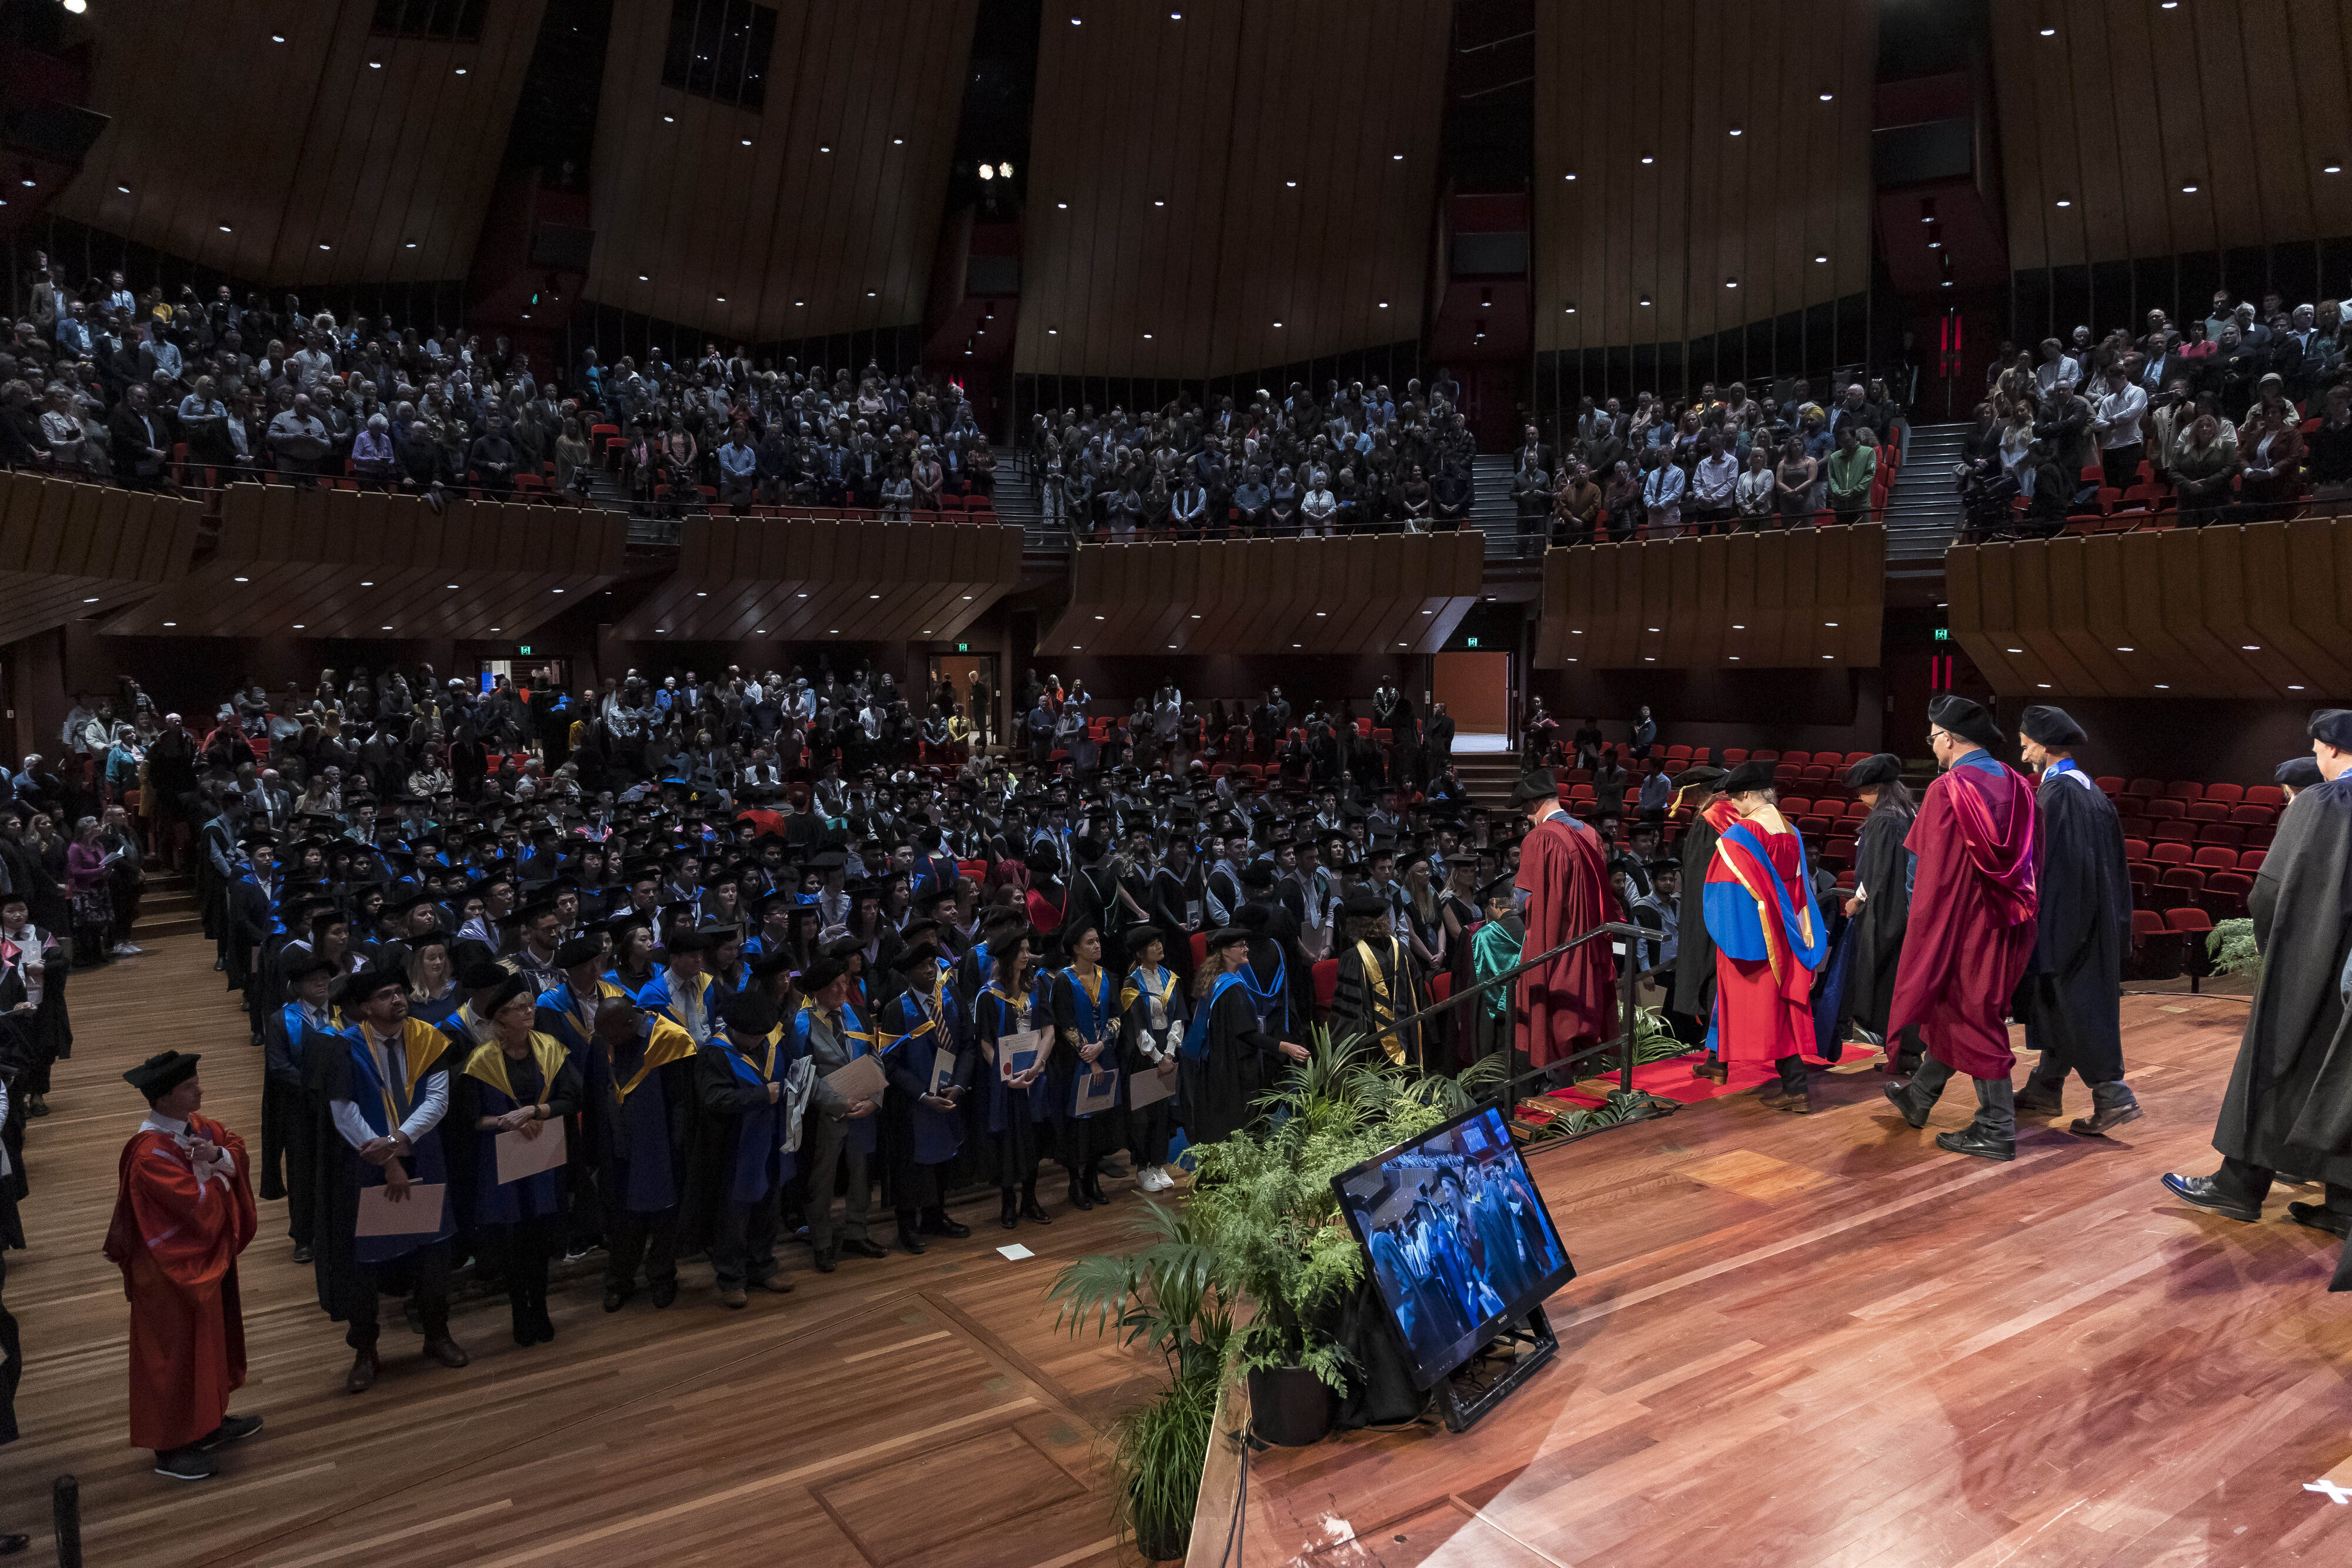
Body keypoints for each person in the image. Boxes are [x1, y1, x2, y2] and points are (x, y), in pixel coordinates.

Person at [2164, 709, 2352, 1273]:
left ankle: (2237, 1186)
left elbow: (2268, 895)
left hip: (2309, 964)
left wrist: (2277, 954)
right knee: (2338, 1079)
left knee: (2275, 1066)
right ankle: (2343, 1202)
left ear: (2331, 749)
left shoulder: (2323, 805)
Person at [1883, 698, 2040, 1161]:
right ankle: (1919, 1097)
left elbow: (1923, 872)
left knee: (1973, 1016)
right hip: (2009, 922)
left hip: (1960, 926)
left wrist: (1921, 932)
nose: (1932, 746)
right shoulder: (2019, 785)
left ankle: (1996, 1127)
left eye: (1932, 738)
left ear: (1948, 738)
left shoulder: (1947, 789)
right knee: (1961, 1010)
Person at [102, 1051, 263, 1482]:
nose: (200, 1089)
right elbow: (194, 1210)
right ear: (168, 1097)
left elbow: (234, 1148)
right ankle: (170, 1447)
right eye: (192, 1085)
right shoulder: (149, 1155)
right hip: (168, 1274)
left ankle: (208, 1421)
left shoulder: (196, 1127)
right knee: (172, 1355)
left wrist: (216, 1158)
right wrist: (213, 1171)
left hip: (203, 1262)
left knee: (209, 1344)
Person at [312, 967, 471, 1393]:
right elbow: (344, 1113)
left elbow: (438, 1099)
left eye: (400, 992)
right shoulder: (342, 1047)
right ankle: (366, 1351)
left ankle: (437, 1335)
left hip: (425, 1157)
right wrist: (387, 1158)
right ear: (366, 1007)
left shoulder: (428, 1038)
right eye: (386, 995)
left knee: (434, 1255)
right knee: (366, 1264)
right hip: (367, 1167)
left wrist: (400, 1140)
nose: (398, 1000)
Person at [2013, 706, 2142, 1136]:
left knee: (2073, 1004)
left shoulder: (2061, 794)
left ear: (2046, 746)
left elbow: (2058, 868)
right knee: (2057, 1004)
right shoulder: (2087, 789)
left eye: (2027, 738)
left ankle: (2112, 1096)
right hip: (2092, 917)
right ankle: (2044, 1087)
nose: (2022, 744)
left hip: (2067, 920)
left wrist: (2043, 928)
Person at [453, 976, 583, 1346]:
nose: (530, 1013)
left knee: (540, 1241)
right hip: (503, 1164)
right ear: (501, 1019)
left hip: (545, 1157)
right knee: (514, 1244)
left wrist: (535, 1111)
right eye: (521, 1008)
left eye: (531, 1006)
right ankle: (518, 1313)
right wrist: (503, 1121)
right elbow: (469, 1120)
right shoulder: (481, 1061)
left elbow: (573, 1098)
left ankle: (540, 1308)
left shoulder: (551, 1049)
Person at [1703, 761, 1828, 1113]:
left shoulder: (1740, 836)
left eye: (1735, 800)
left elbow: (1725, 891)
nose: (1734, 808)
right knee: (1786, 1008)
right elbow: (1801, 888)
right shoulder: (1791, 830)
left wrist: (1733, 936)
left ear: (1745, 796)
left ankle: (1795, 1087)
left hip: (1757, 938)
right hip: (1790, 933)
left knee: (1767, 1012)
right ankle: (1789, 1085)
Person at [686, 988, 800, 1308]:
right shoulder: (715, 1053)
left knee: (769, 1208)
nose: (756, 1041)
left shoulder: (772, 1043)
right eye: (750, 1036)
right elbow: (714, 1099)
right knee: (733, 1218)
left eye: (761, 1035)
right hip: (734, 1148)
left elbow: (790, 1076)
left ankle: (763, 1267)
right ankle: (732, 1278)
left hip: (773, 1140)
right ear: (734, 1028)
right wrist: (763, 1095)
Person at [1510, 769, 1616, 1078]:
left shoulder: (1540, 838)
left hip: (1556, 952)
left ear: (1532, 804)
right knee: (1585, 1042)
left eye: (1525, 809)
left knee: (1554, 1036)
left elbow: (1523, 901)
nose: (1526, 817)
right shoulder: (1590, 833)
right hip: (1591, 949)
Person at [1182, 927, 1306, 1146]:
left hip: (1216, 1065)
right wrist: (1286, 1047)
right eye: (1241, 946)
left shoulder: (1216, 981)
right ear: (1225, 952)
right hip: (1233, 1069)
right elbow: (1248, 1034)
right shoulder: (1232, 990)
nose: (1246, 949)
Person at [1830, 755, 1917, 1067]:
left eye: (1863, 792)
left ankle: (1904, 1056)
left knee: (1888, 985)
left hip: (1888, 912)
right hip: (1905, 911)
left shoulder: (1885, 819)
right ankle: (1903, 1054)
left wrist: (1858, 899)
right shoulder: (1907, 810)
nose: (1860, 799)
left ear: (1877, 788)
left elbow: (1879, 873)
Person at [1119, 925, 1185, 1192]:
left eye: (1160, 942)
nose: (1159, 947)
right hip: (1143, 1055)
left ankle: (1159, 1164)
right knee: (1143, 1115)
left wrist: (1170, 1052)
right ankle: (1143, 1168)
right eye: (1152, 944)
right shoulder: (1131, 983)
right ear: (1139, 953)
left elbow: (1178, 1016)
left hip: (1167, 1051)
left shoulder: (1170, 977)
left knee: (1162, 1112)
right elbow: (1136, 1027)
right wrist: (1158, 1057)